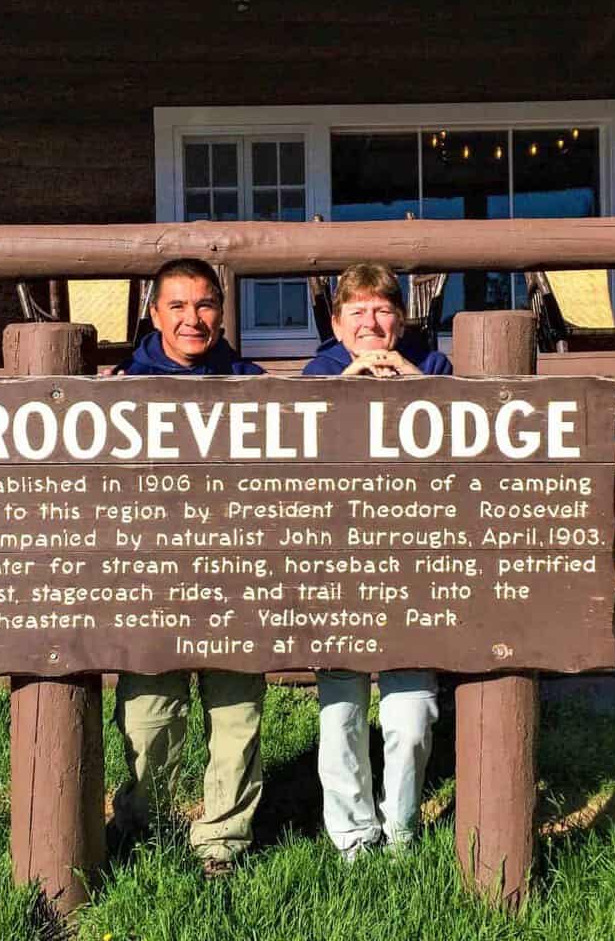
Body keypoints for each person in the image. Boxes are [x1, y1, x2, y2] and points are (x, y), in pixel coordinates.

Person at [108, 257, 266, 879]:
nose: (192, 318)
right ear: (155, 314)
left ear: (221, 314)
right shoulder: (119, 388)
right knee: (148, 718)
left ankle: (222, 840)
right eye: (177, 306)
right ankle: (145, 822)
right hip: (153, 583)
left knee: (236, 716)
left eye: (204, 305)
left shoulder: (253, 384)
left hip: (234, 580)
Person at [302, 262, 451, 861]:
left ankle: (403, 832)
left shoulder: (433, 366)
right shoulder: (320, 371)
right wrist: (346, 388)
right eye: (357, 311)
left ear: (400, 319)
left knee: (411, 717)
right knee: (341, 713)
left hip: (412, 566)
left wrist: (410, 383)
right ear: (338, 324)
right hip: (339, 566)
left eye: (383, 310)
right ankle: (352, 839)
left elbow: (466, 446)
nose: (371, 321)